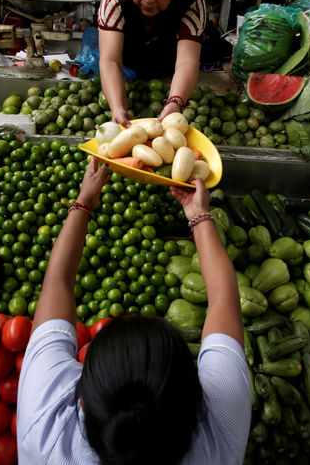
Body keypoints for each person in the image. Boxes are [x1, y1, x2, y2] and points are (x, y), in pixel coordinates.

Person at [17, 157, 250, 465]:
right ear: (197, 402)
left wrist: (84, 202)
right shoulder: (222, 430)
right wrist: (198, 214)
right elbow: (224, 298)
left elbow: (55, 285)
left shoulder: (44, 430)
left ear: (83, 401)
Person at [97, 0, 207, 127]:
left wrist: (175, 101)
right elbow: (110, 60)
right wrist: (118, 108)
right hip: (126, 67)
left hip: (169, 69)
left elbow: (186, 62)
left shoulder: (192, 0)